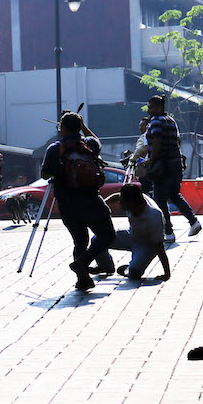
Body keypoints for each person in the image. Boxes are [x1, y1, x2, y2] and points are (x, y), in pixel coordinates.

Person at [41, 112, 115, 290]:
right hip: (91, 199)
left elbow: (44, 175)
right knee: (107, 235)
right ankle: (83, 263)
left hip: (67, 203)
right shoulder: (88, 145)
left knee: (80, 241)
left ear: (62, 129)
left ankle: (83, 277)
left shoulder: (54, 149)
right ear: (79, 126)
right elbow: (96, 140)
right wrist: (83, 126)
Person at [144, 95, 201, 242]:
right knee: (175, 195)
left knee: (160, 199)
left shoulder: (155, 121)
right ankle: (194, 221)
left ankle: (168, 232)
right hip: (175, 164)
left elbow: (157, 142)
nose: (148, 110)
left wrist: (151, 160)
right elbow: (177, 141)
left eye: (151, 107)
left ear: (158, 107)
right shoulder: (171, 121)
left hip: (163, 166)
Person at [91, 184, 170, 281]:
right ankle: (105, 266)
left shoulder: (153, 216)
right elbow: (117, 196)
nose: (120, 203)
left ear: (131, 202)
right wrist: (102, 205)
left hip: (148, 245)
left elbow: (159, 246)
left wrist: (166, 273)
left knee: (134, 272)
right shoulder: (133, 198)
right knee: (97, 240)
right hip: (132, 235)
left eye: (122, 202)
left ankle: (128, 269)